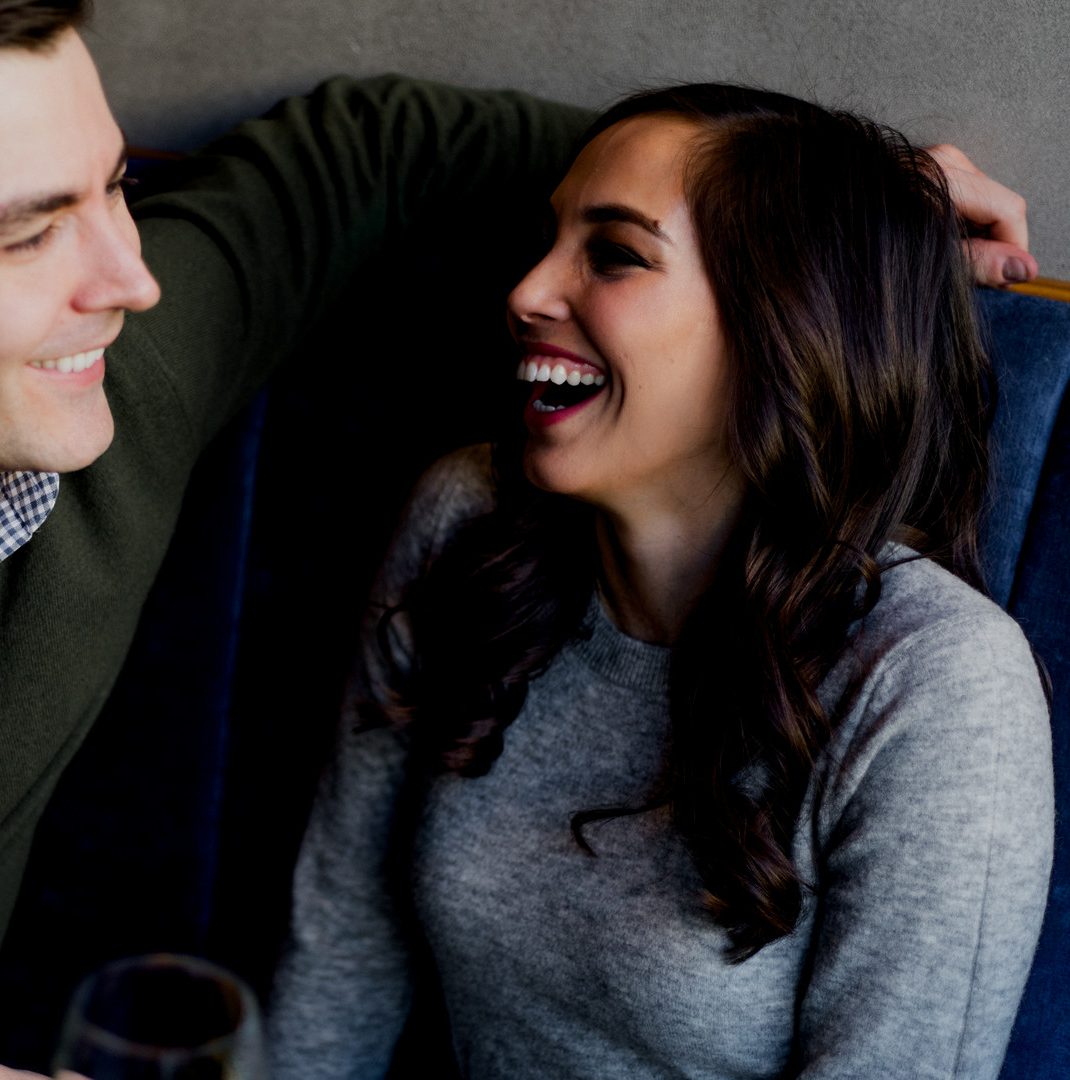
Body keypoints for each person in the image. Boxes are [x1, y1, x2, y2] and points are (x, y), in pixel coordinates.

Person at [0, 0, 1033, 1072]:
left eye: (116, 191)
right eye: (31, 230)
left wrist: (837, 214)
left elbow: (375, 150)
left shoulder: (98, 377)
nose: (127, 281)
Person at [265, 85, 1053, 1080]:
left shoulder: (936, 682)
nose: (526, 292)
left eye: (616, 254)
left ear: (789, 321)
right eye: (551, 238)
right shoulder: (469, 518)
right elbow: (341, 942)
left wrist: (857, 215)